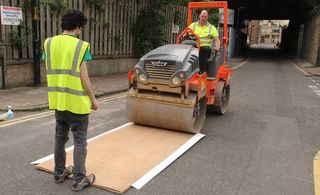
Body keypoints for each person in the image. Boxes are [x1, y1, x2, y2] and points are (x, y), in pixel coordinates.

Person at [42, 9, 98, 192]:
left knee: (60, 138)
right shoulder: (81, 46)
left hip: (58, 100)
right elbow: (84, 77)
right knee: (80, 140)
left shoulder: (48, 43)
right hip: (77, 104)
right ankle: (80, 179)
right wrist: (93, 99)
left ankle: (59, 172)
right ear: (79, 27)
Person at [189, 10, 220, 74]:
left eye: (205, 17)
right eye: (202, 16)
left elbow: (217, 39)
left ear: (207, 18)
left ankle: (202, 72)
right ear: (199, 16)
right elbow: (186, 34)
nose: (203, 18)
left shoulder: (212, 28)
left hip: (205, 48)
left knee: (203, 50)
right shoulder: (193, 25)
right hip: (193, 46)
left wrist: (217, 46)